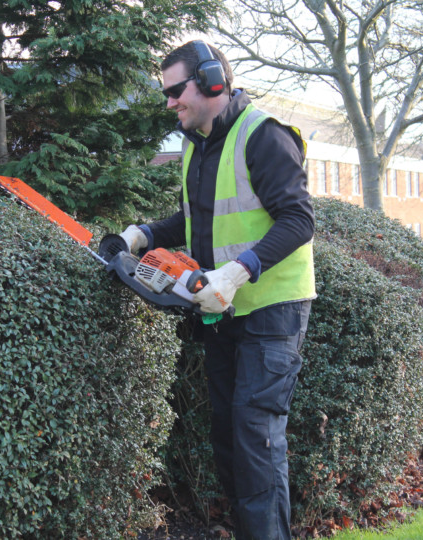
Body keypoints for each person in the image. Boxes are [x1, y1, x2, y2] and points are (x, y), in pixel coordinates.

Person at [119, 41, 316, 540]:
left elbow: (299, 219)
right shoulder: (198, 145)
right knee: (229, 440)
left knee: (255, 438)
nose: (169, 103)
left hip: (273, 309)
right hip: (223, 311)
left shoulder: (263, 135)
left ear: (211, 81)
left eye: (175, 91)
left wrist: (234, 272)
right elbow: (195, 222)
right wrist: (140, 236)